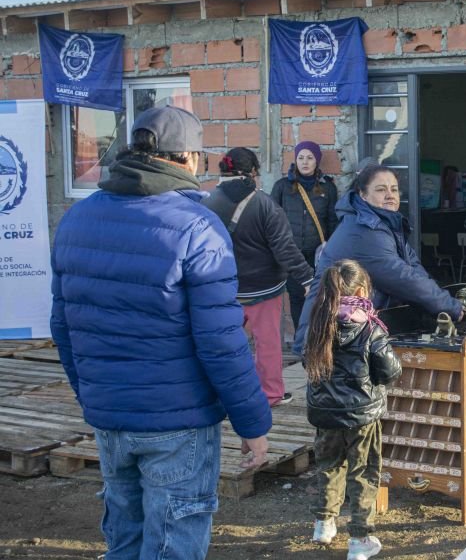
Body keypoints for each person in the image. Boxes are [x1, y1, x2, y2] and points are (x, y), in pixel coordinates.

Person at [50, 106, 271, 559]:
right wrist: (253, 424)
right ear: (189, 158)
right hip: (178, 422)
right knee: (172, 547)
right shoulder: (197, 226)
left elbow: (63, 325)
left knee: (125, 543)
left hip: (110, 416)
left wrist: (92, 395)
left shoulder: (77, 219)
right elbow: (221, 340)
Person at [294, 164, 463, 353]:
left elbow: (413, 267)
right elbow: (401, 277)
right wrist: (450, 307)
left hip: (350, 334)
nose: (390, 195)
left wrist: (439, 303)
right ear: (363, 195)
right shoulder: (363, 231)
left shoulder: (385, 224)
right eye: (381, 190)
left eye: (394, 189)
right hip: (328, 338)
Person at [202, 147, 314, 407]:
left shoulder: (206, 203)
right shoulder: (265, 205)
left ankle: (220, 393)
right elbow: (285, 249)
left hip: (223, 289)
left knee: (223, 344)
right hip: (265, 288)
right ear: (253, 172)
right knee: (268, 343)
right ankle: (271, 393)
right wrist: (308, 279)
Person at [305, 259, 401, 560]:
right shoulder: (371, 328)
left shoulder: (318, 322)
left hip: (325, 412)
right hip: (362, 414)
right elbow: (389, 372)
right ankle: (360, 540)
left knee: (328, 465)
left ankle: (324, 523)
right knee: (363, 473)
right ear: (361, 289)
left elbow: (308, 363)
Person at [271, 140, 339, 328]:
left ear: (317, 161)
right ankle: (301, 343)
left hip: (318, 254)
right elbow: (272, 220)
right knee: (296, 297)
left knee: (319, 297)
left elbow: (333, 220)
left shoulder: (328, 188)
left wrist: (331, 247)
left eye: (310, 158)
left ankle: (316, 341)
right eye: (301, 157)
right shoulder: (282, 187)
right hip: (292, 254)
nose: (305, 162)